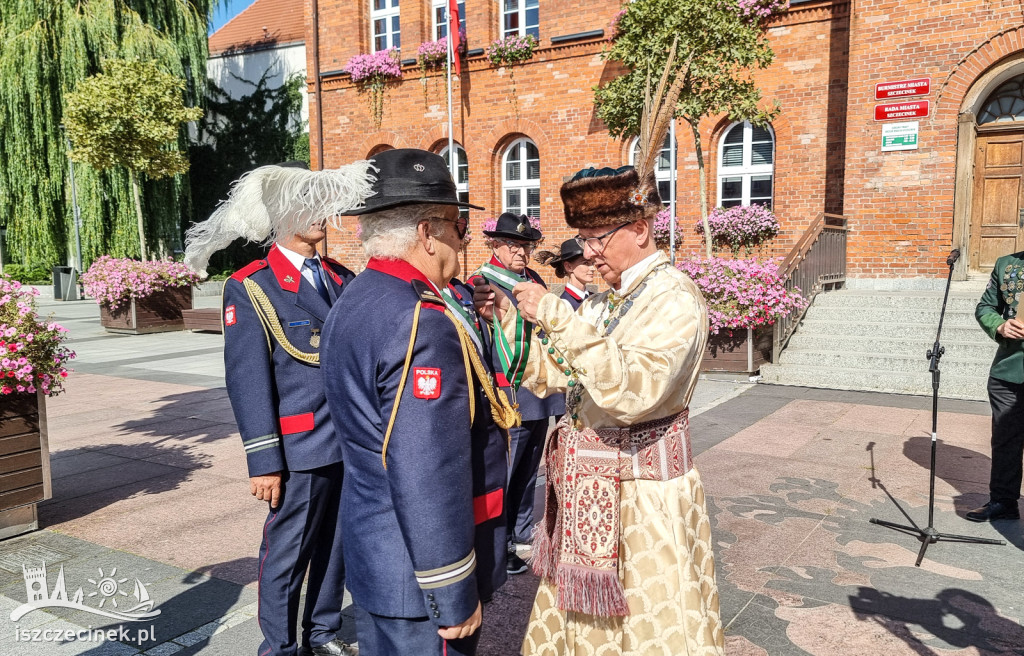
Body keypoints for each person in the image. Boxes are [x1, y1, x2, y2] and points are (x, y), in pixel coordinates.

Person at [476, 163, 725, 653]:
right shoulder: (602, 301)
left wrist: (554, 314)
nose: (588, 252)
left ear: (639, 228)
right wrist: (508, 320)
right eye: (584, 239)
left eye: (597, 238)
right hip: (587, 491)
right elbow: (557, 377)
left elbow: (634, 392)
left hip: (644, 501)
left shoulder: (674, 297)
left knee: (645, 628)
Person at [320, 149, 517, 656]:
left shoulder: (357, 296)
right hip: (421, 574)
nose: (463, 239)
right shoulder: (422, 320)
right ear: (428, 232)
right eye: (457, 226)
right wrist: (452, 591)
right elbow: (426, 467)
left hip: (380, 557)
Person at [184, 161, 374, 656]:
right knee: (288, 554)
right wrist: (264, 461)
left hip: (346, 442)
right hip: (298, 447)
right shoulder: (252, 286)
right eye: (307, 205)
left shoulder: (340, 277)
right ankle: (280, 646)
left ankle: (322, 633)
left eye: (322, 204)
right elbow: (247, 381)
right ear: (280, 213)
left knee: (335, 549)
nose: (320, 216)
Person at [474, 213, 563, 575]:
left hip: (537, 392)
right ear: (495, 245)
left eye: (526, 245)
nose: (521, 252)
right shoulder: (482, 282)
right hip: (507, 393)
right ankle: (498, 544)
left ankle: (520, 533)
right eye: (513, 244)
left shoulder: (534, 279)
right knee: (505, 474)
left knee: (528, 471)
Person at [970, 252, 1024, 522]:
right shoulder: (1008, 265)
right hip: (1010, 370)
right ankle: (1003, 502)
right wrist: (1000, 326)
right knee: (1005, 441)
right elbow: (985, 308)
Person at [535, 238, 594, 310]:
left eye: (592, 263)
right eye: (586, 263)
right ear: (569, 267)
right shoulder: (563, 304)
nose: (593, 268)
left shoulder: (594, 298)